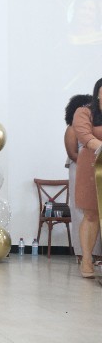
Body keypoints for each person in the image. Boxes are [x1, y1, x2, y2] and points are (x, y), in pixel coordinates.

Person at [64, 94, 102, 264]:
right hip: (80, 168)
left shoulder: (95, 126)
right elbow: (72, 153)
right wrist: (89, 163)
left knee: (95, 211)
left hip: (97, 168)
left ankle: (97, 253)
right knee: (81, 211)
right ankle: (82, 253)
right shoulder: (72, 128)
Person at [73, 78, 102, 278]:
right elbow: (85, 137)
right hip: (92, 167)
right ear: (98, 93)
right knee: (91, 214)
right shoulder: (84, 112)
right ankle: (86, 260)